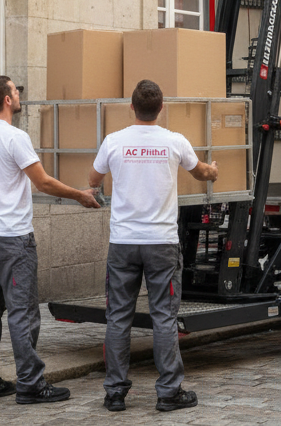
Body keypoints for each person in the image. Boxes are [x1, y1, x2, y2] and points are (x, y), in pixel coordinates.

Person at [88, 80, 219, 413]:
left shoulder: (113, 141)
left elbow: (93, 179)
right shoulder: (174, 141)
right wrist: (213, 171)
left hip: (123, 243)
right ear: (161, 108)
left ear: (131, 107)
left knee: (118, 318)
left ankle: (115, 392)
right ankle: (168, 392)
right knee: (163, 317)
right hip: (161, 243)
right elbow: (200, 172)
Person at [0, 75, 101, 405]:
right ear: (7, 100)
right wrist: (79, 195)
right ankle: (30, 382)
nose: (19, 95)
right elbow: (42, 182)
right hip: (12, 237)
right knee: (23, 311)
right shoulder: (15, 137)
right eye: (16, 91)